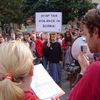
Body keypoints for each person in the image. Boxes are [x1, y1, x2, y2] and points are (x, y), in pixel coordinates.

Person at [67, 9, 100, 100]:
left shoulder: (96, 69)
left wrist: (83, 72)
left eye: (85, 35)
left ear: (95, 32)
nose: (85, 40)